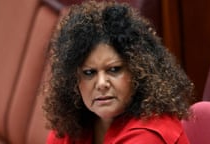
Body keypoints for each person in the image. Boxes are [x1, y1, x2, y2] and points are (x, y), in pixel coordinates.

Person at [43, 1, 194, 144]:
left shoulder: (150, 135)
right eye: (89, 73)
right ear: (73, 81)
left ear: (138, 71)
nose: (102, 84)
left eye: (114, 70)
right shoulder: (71, 127)